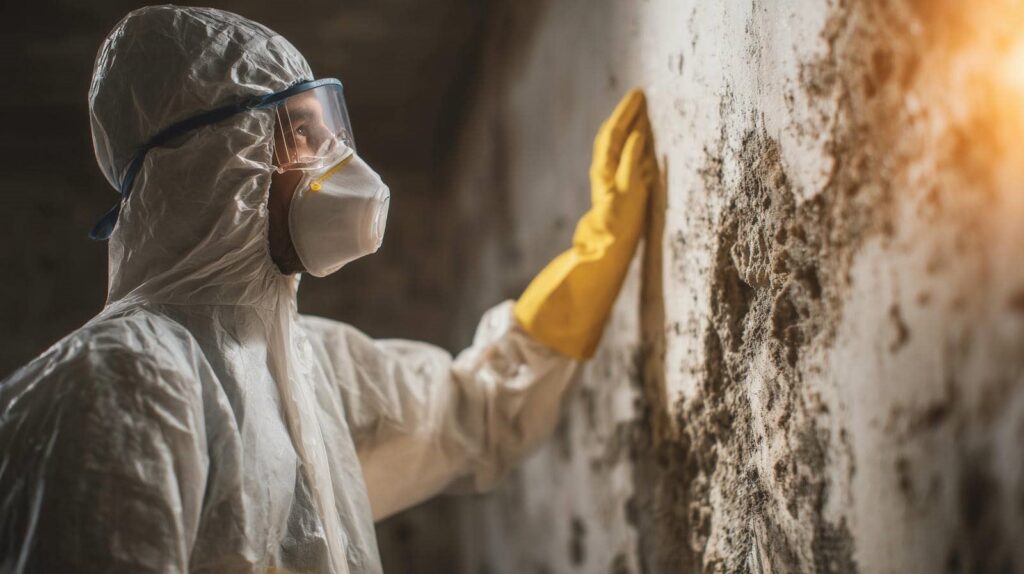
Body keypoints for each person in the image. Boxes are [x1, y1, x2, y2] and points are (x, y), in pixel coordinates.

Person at [0, 5, 657, 574]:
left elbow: (474, 412)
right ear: (221, 162)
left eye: (330, 128)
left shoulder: (308, 374)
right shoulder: (124, 379)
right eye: (305, 135)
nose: (337, 161)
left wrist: (591, 258)